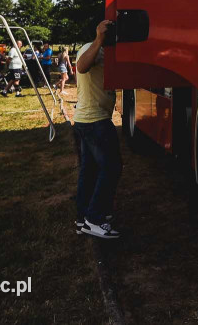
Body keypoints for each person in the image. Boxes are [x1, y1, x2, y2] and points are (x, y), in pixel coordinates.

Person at [74, 20, 121, 239]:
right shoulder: (91, 48)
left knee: (90, 169)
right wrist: (100, 38)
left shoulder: (99, 50)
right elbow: (82, 66)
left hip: (87, 119)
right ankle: (94, 219)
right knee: (112, 167)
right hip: (95, 120)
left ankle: (83, 217)